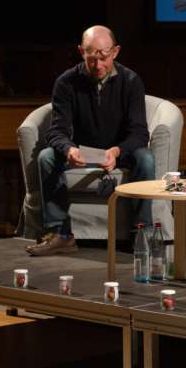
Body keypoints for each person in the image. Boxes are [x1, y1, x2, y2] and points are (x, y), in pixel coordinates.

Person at [26, 25, 154, 256]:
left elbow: (139, 133)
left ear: (115, 52)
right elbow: (56, 131)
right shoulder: (66, 82)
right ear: (81, 52)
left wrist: (117, 151)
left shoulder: (131, 81)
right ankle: (60, 234)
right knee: (46, 157)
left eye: (103, 57)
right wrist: (69, 149)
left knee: (145, 158)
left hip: (118, 153)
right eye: (91, 58)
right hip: (81, 153)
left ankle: (141, 232)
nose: (98, 65)